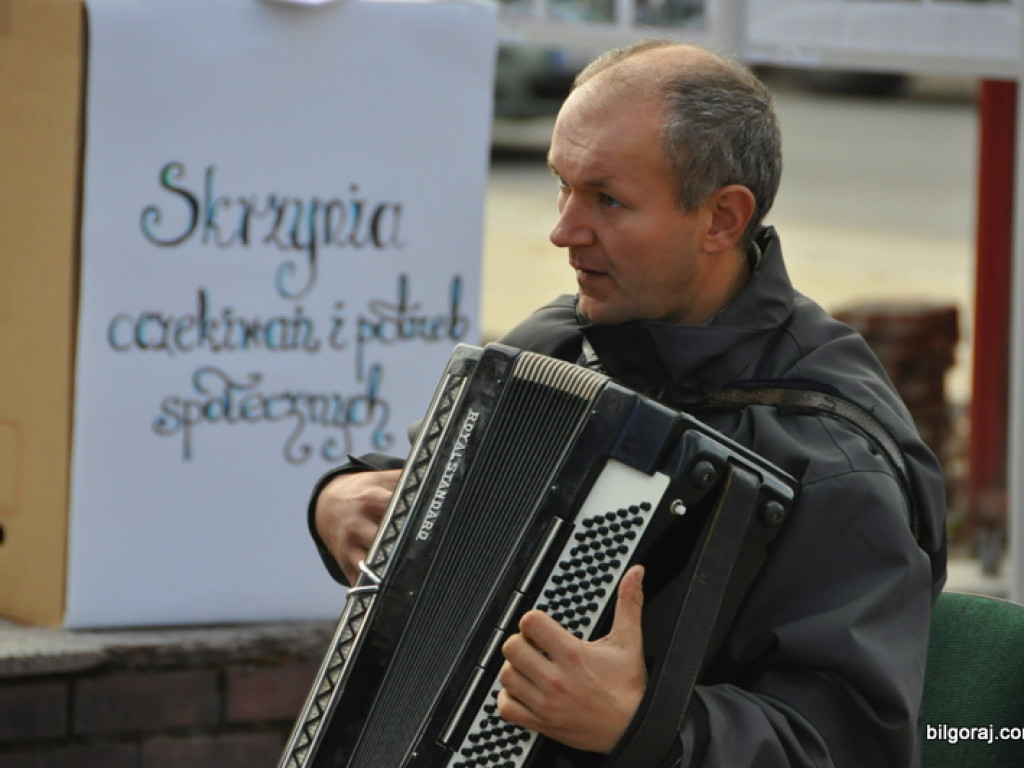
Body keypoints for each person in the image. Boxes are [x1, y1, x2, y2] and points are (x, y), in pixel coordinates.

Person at [307, 39, 947, 767]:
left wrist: (644, 725)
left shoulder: (832, 456)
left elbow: (852, 747)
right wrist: (342, 497)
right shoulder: (558, 345)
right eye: (563, 185)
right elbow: (449, 505)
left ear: (722, 219)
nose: (563, 230)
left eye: (607, 200)